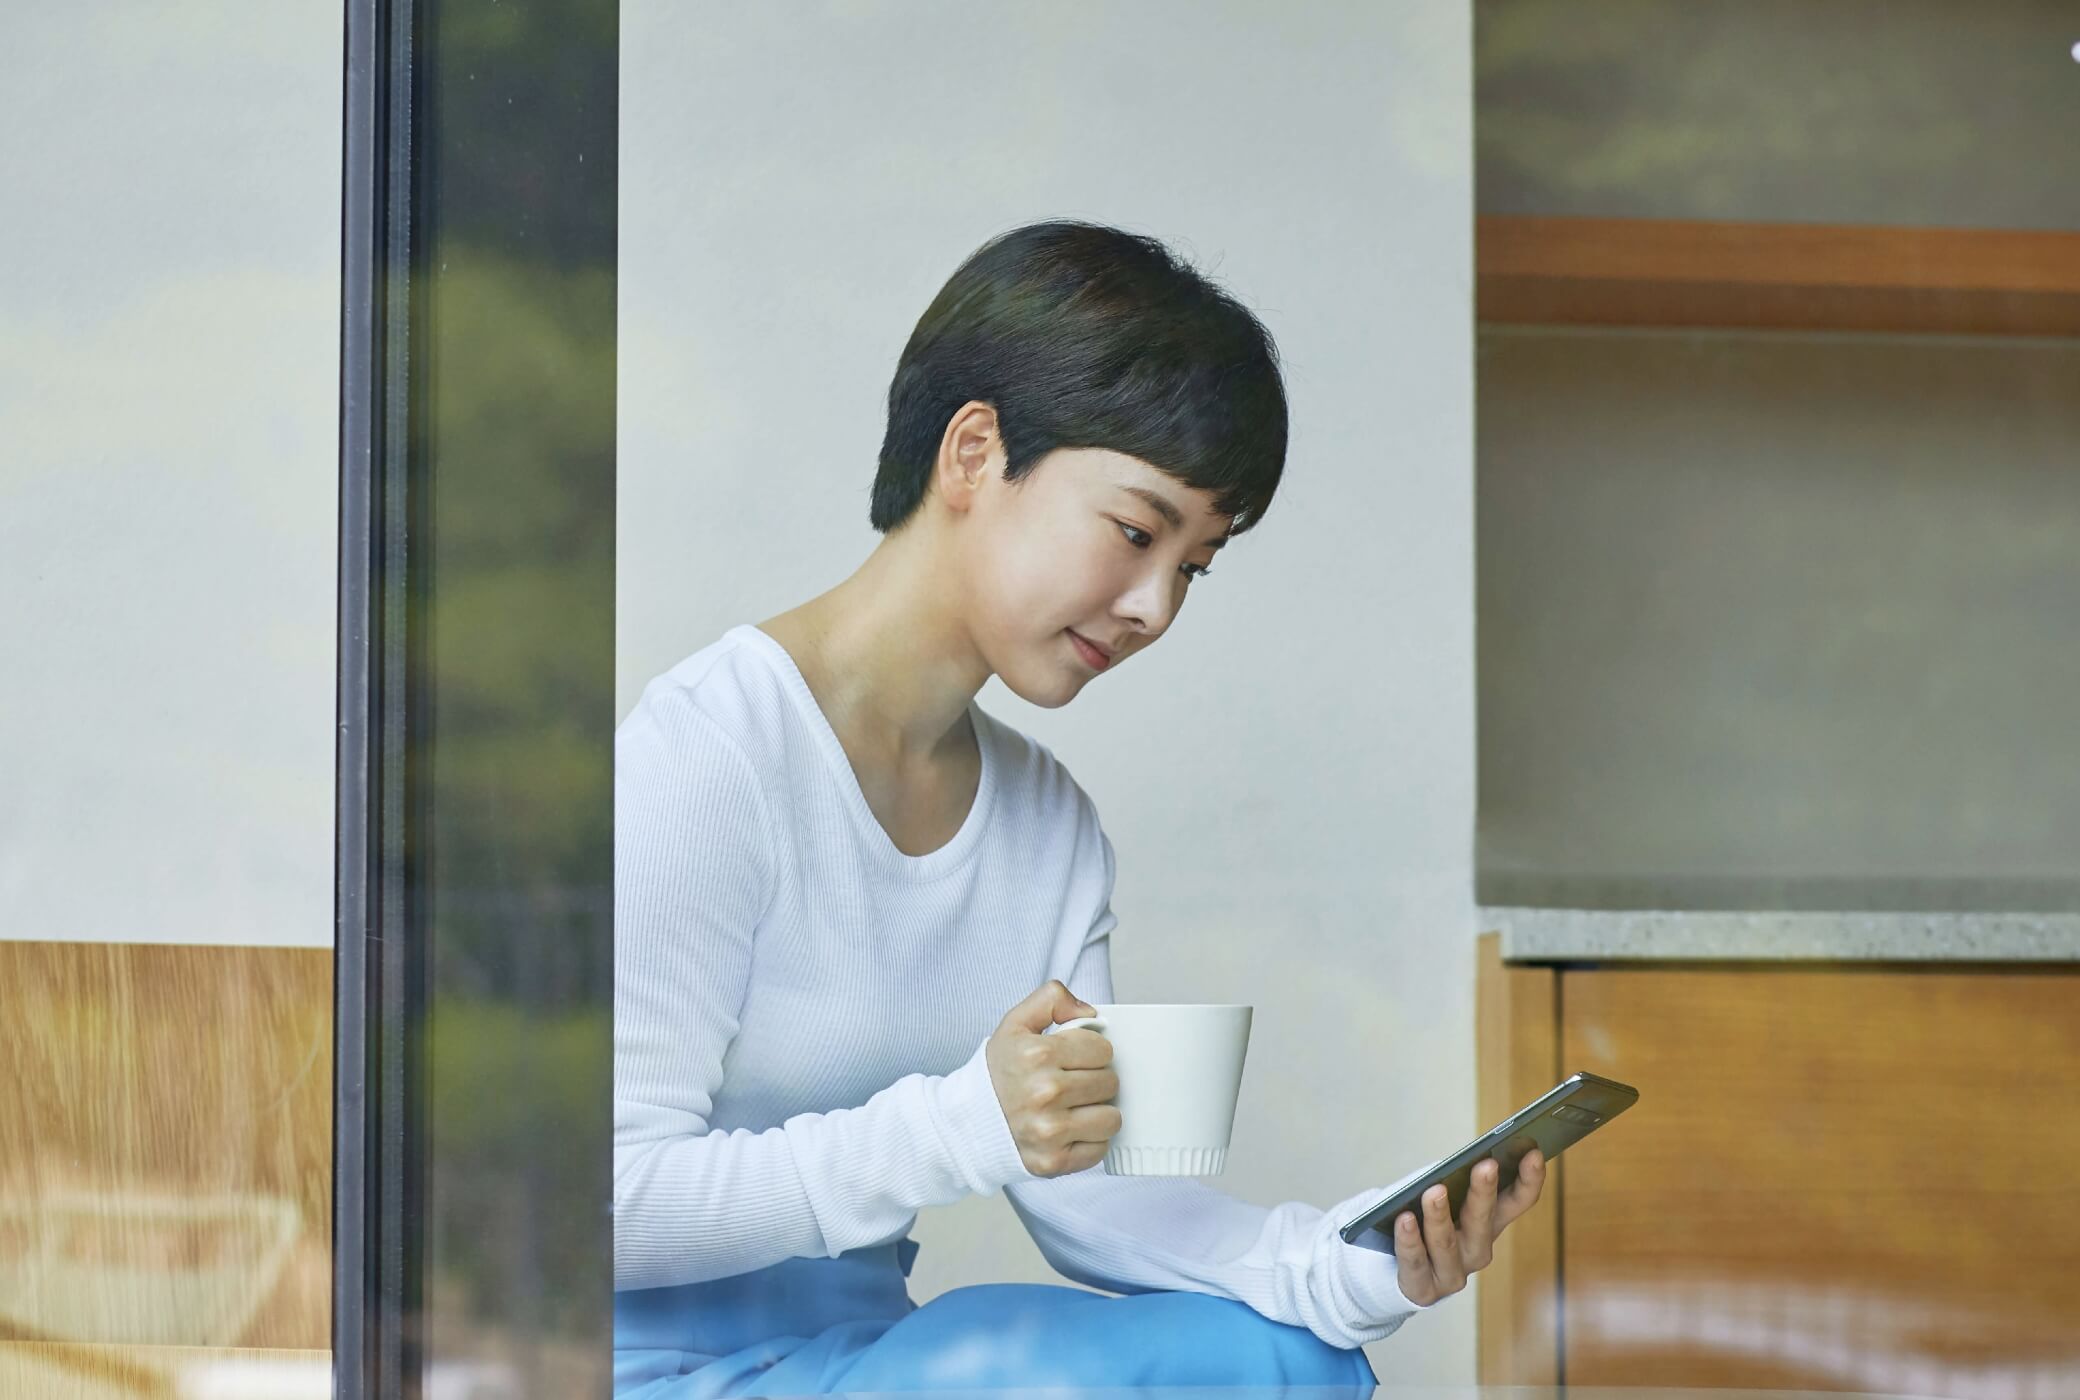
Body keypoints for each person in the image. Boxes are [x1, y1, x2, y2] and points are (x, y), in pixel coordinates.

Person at [612, 219, 1546, 1398]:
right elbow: (605, 1202)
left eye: (1194, 565)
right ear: (972, 454)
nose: (1156, 604)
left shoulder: (1045, 827)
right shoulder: (705, 755)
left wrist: (1352, 1260)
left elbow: (1095, 1197)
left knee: (1290, 1356)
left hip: (857, 1363)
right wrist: (957, 1125)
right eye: (1136, 530)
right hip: (635, 1369)